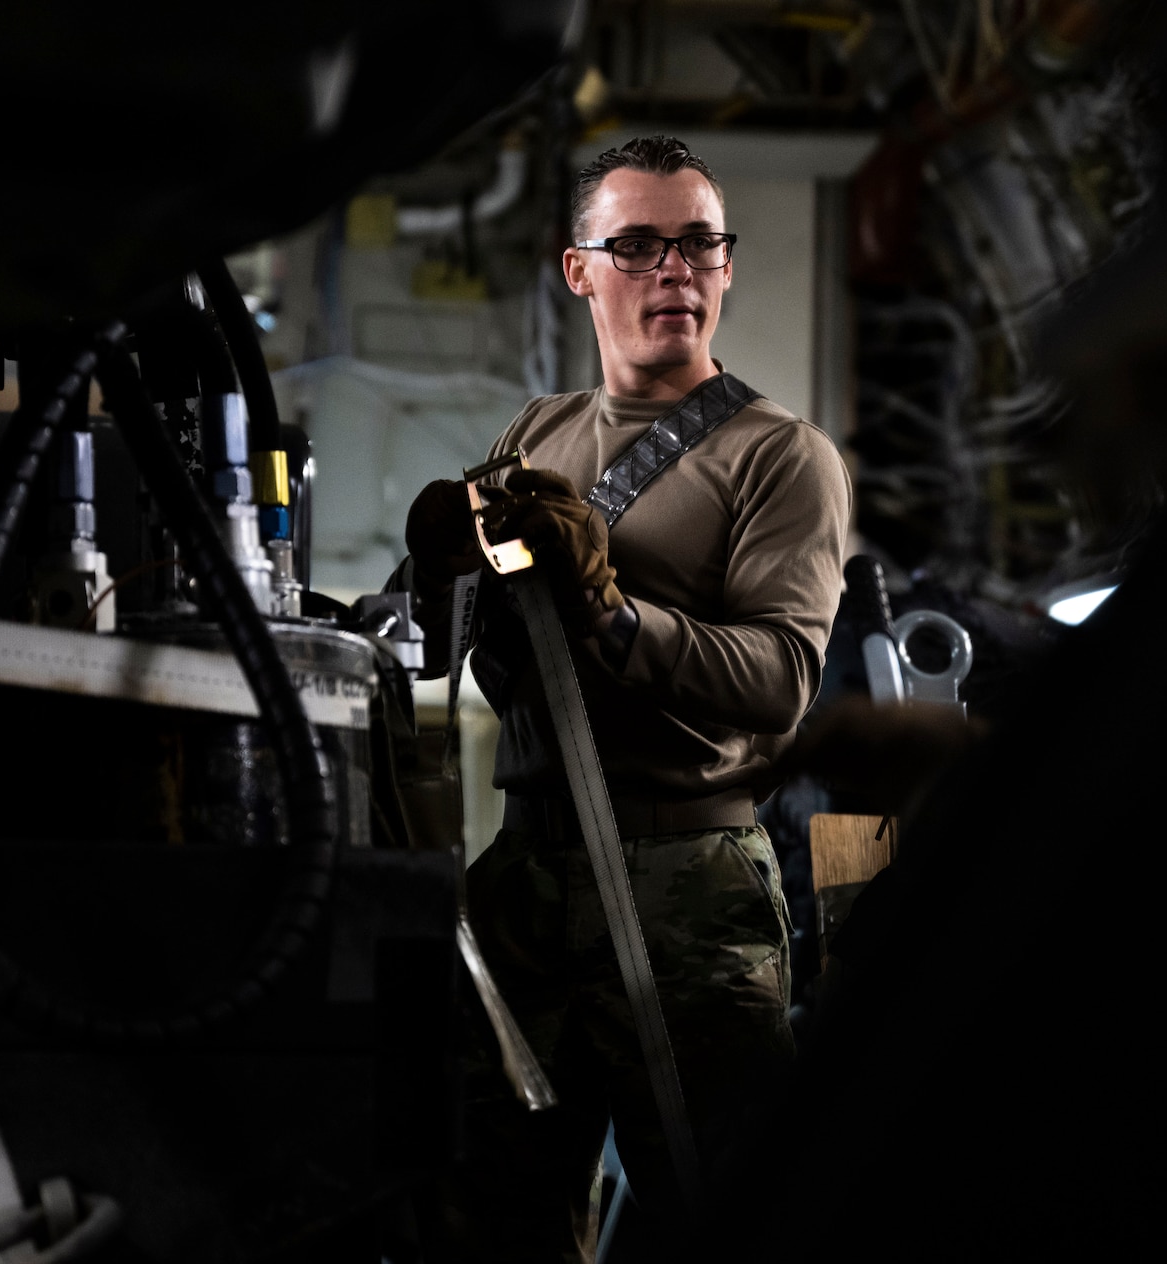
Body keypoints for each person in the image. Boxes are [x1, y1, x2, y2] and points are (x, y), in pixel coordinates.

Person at [393, 134, 850, 1261]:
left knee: (721, 1211)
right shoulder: (534, 436)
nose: (673, 270)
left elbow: (777, 683)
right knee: (481, 1215)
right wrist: (441, 574)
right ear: (579, 269)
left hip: (684, 889)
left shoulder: (778, 458)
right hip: (527, 874)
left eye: (698, 243)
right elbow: (448, 646)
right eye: (637, 244)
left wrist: (612, 614)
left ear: (727, 267)